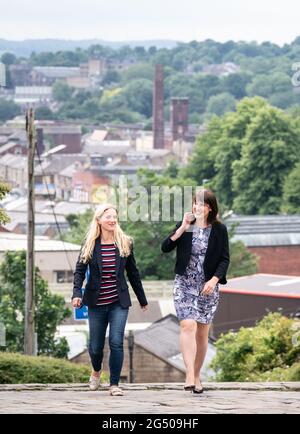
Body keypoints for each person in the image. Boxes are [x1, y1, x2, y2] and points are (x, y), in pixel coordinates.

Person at [72, 203, 148, 396]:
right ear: (99, 220)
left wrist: (142, 298)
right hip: (96, 303)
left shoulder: (125, 242)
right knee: (96, 347)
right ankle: (96, 371)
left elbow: (133, 273)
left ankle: (114, 384)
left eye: (115, 217)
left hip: (118, 303)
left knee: (116, 341)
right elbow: (79, 271)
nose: (113, 220)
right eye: (108, 217)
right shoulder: (90, 243)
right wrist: (76, 293)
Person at [161, 189, 230, 394]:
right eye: (195, 204)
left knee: (202, 334)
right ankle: (189, 374)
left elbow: (225, 259)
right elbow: (165, 247)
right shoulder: (186, 227)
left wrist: (214, 280)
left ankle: (197, 375)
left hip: (207, 287)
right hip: (184, 284)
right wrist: (182, 227)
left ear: (210, 208)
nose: (197, 207)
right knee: (187, 324)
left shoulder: (219, 229)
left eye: (202, 204)